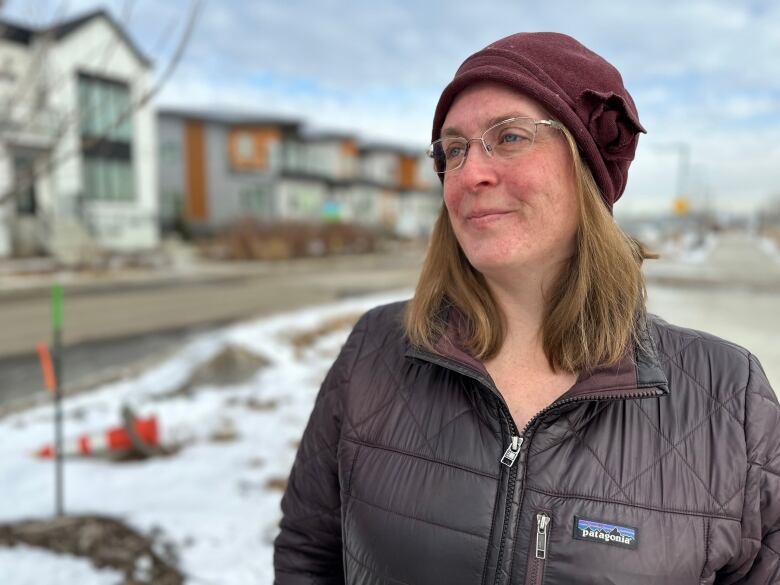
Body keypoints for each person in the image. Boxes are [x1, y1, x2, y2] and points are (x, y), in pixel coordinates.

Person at [274, 32, 780, 584]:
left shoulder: (729, 397)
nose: (468, 174)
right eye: (455, 148)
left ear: (586, 168)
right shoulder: (376, 350)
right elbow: (308, 554)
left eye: (509, 136)